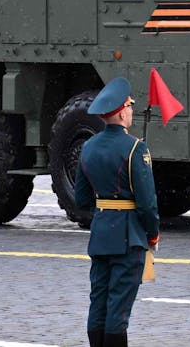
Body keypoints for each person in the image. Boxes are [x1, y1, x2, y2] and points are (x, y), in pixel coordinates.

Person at [73, 77, 159, 347]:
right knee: (118, 309)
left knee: (98, 303)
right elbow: (147, 203)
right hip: (128, 237)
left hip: (100, 235)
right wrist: (153, 234)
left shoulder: (88, 147)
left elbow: (82, 198)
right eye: (130, 107)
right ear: (122, 112)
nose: (132, 111)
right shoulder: (135, 148)